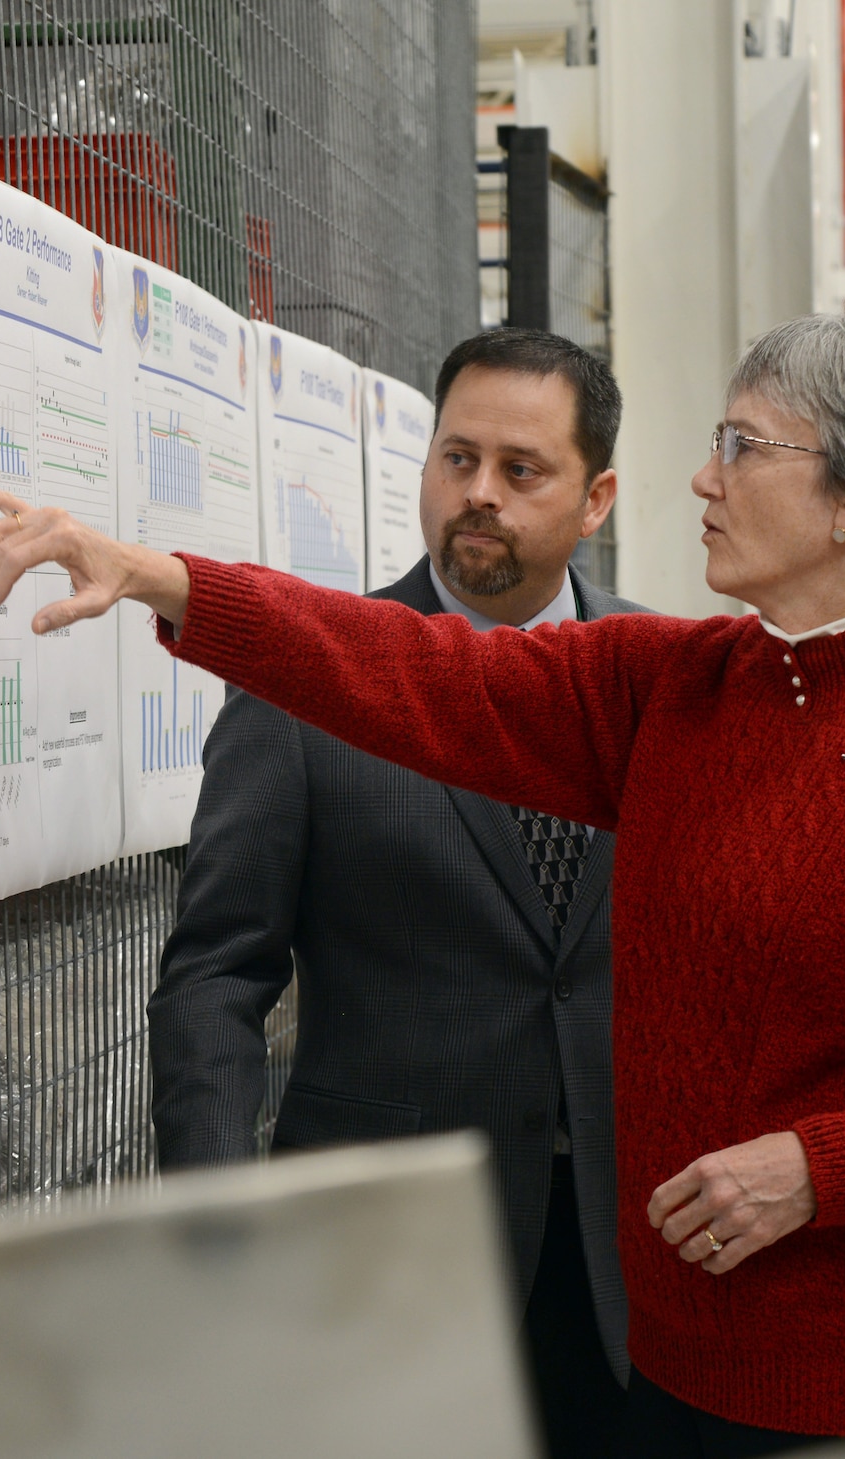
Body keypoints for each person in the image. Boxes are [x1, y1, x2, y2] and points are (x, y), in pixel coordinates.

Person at [0, 310, 845, 1451]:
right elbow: (413, 668)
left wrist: (822, 1167)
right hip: (672, 1363)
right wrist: (162, 577)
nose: (703, 477)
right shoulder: (671, 686)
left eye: (741, 447)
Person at [150, 329, 642, 1458]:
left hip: (632, 1253)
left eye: (520, 471)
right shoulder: (305, 680)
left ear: (595, 494)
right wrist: (217, 1224)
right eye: (454, 458)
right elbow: (216, 975)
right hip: (387, 1248)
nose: (477, 496)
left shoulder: (658, 675)